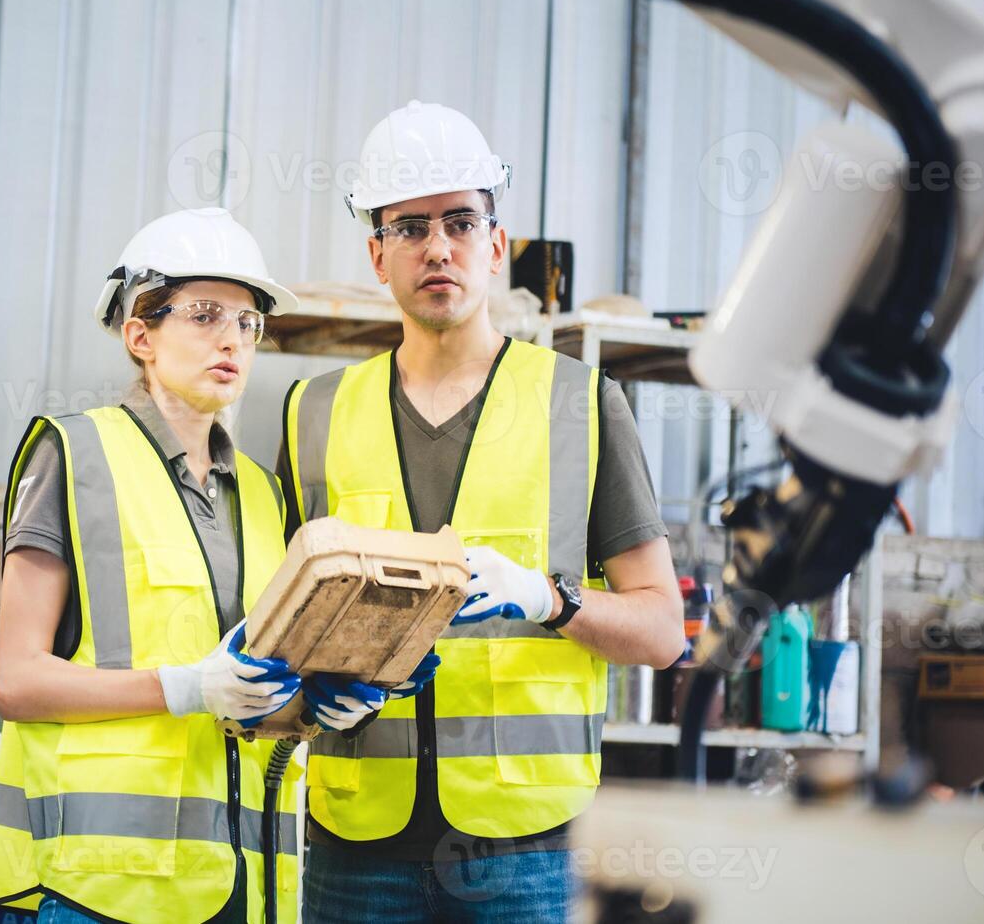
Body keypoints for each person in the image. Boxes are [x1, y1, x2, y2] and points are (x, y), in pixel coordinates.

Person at [278, 101, 685, 923]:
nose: (438, 246)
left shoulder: (581, 404)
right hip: (355, 842)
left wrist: (549, 598)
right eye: (411, 226)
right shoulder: (311, 412)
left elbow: (663, 630)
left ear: (496, 245)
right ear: (376, 256)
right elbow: (276, 628)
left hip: (529, 852)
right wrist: (307, 690)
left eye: (461, 221)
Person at [0, 208, 308, 924]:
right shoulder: (74, 454)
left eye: (248, 323)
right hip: (88, 890)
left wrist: (318, 705)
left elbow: (248, 693)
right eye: (203, 315)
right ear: (140, 335)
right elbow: (17, 682)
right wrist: (184, 687)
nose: (232, 338)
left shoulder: (260, 491)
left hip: (237, 887)